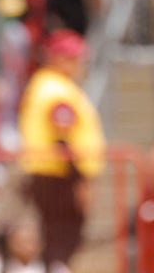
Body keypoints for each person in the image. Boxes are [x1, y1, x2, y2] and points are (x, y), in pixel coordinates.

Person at [18, 29, 105, 272]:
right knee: (62, 240)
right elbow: (63, 141)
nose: (79, 64)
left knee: (57, 238)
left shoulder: (46, 85)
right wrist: (81, 181)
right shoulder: (55, 90)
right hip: (59, 176)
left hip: (50, 174)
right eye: (73, 58)